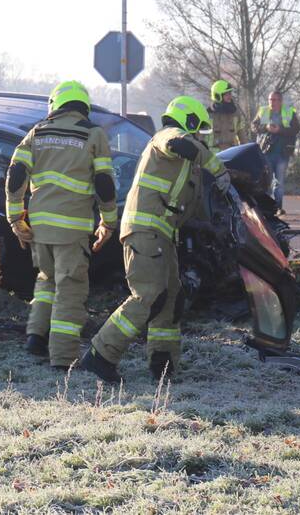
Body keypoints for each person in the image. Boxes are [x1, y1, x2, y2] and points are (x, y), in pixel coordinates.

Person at [82, 96, 231, 383]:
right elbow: (181, 144)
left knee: (170, 297)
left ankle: (162, 363)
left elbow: (193, 204)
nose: (200, 137)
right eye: (198, 130)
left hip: (161, 235)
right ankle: (100, 355)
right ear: (189, 122)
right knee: (148, 294)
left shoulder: (185, 166)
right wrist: (217, 167)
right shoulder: (168, 137)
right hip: (145, 230)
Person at [4, 80, 118, 370]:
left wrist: (16, 218)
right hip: (73, 227)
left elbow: (16, 174)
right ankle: (63, 358)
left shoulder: (37, 132)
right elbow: (104, 183)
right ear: (83, 107)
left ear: (55, 105)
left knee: (47, 279)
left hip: (40, 226)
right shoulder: (93, 134)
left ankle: (35, 338)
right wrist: (109, 222)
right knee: (71, 288)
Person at [252, 90, 300, 213]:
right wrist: (266, 128)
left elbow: (296, 129)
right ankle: (265, 207)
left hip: (283, 153)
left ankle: (278, 207)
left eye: (274, 100)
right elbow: (253, 127)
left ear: (280, 101)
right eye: (270, 100)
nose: (271, 102)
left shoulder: (289, 112)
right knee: (266, 181)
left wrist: (280, 130)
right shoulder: (263, 111)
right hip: (266, 153)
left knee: (279, 182)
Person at [207, 79, 246, 153]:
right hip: (215, 155)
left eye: (230, 93)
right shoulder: (208, 115)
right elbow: (202, 139)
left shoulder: (235, 113)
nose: (230, 96)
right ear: (217, 96)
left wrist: (245, 151)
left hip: (232, 153)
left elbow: (242, 135)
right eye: (226, 94)